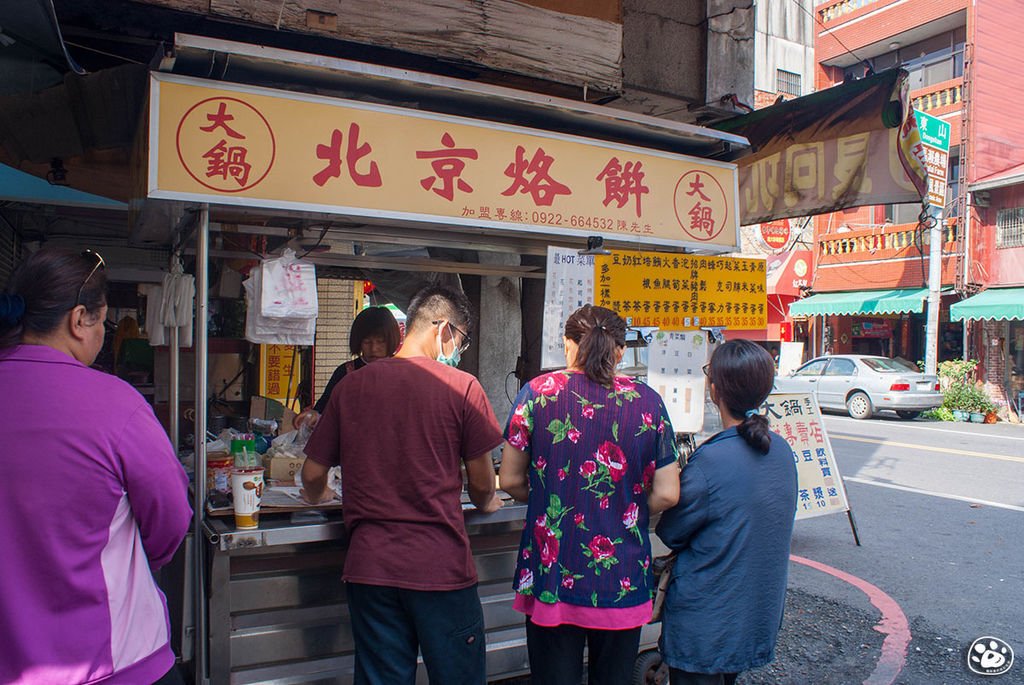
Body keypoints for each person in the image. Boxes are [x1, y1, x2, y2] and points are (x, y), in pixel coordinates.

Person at [0, 248, 192, 685]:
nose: (104, 333)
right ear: (79, 319)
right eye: (103, 322)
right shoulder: (113, 402)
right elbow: (170, 518)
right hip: (113, 661)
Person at [300, 284, 503, 685]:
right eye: (461, 339)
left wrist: (322, 495)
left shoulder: (350, 386)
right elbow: (482, 486)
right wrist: (488, 502)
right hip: (439, 567)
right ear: (443, 328)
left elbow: (310, 476)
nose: (459, 350)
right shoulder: (462, 387)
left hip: (370, 569)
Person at [498, 305, 681, 685]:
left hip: (552, 572)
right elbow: (667, 493)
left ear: (568, 345)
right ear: (619, 351)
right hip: (622, 578)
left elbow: (511, 480)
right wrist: (624, 509)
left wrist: (554, 496)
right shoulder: (647, 402)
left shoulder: (537, 394)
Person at [656, 340, 798, 685]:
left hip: (706, 619)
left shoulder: (711, 462)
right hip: (753, 611)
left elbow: (670, 531)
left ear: (714, 389)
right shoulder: (781, 451)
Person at [293, 305, 401, 429]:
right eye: (367, 342)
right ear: (358, 342)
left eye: (380, 341)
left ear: (391, 340)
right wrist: (311, 416)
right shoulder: (345, 372)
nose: (374, 348)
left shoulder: (402, 372)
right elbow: (323, 407)